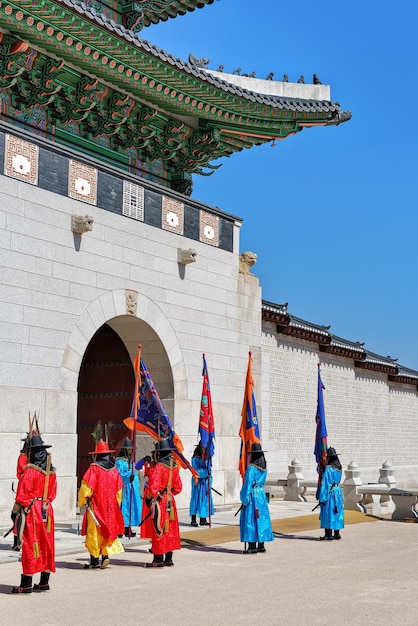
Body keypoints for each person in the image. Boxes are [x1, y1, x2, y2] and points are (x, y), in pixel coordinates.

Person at [10, 434, 57, 594]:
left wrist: (14, 512)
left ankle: (26, 584)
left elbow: (22, 496)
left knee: (31, 545)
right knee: (47, 544)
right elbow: (53, 493)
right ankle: (44, 582)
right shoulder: (52, 473)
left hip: (33, 511)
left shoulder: (30, 471)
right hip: (47, 510)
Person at [78, 439, 124, 569]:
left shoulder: (94, 469)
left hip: (96, 506)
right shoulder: (114, 471)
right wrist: (115, 504)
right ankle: (105, 556)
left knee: (94, 532)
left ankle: (94, 560)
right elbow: (119, 491)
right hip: (111, 507)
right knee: (107, 530)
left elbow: (86, 488)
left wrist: (83, 500)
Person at [144, 439, 182, 568]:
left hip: (160, 502)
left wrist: (150, 498)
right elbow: (178, 487)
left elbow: (153, 487)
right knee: (170, 529)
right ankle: (169, 558)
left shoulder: (159, 467)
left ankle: (158, 559)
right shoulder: (175, 466)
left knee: (158, 529)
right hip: (170, 501)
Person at [239, 442, 274, 554]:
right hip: (261, 495)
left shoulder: (251, 469)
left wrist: (244, 498)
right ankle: (261, 545)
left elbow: (247, 484)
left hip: (253, 495)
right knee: (261, 518)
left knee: (251, 519)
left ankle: (252, 545)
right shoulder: (265, 468)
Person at [115, 438, 142, 538]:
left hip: (131, 487)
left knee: (130, 508)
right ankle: (120, 529)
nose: (131, 450)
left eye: (132, 449)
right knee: (123, 508)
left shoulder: (130, 460)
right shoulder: (119, 461)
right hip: (124, 487)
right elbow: (119, 474)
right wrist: (127, 477)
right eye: (129, 449)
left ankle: (127, 528)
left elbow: (133, 471)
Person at [319, 447, 345, 541]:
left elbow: (326, 484)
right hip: (337, 491)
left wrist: (322, 497)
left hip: (330, 492)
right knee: (337, 511)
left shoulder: (329, 469)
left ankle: (328, 534)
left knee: (328, 512)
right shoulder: (339, 468)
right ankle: (337, 533)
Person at [11, 433, 30, 551]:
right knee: (15, 515)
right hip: (23, 491)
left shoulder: (26, 458)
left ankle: (19, 542)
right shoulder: (23, 457)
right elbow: (21, 472)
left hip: (25, 493)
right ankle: (17, 541)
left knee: (18, 516)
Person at [189, 441, 214, 526]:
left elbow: (210, 472)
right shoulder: (195, 459)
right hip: (197, 483)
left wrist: (208, 475)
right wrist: (206, 472)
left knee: (204, 500)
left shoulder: (207, 459)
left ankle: (203, 519)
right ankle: (193, 519)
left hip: (205, 483)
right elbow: (196, 472)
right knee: (195, 499)